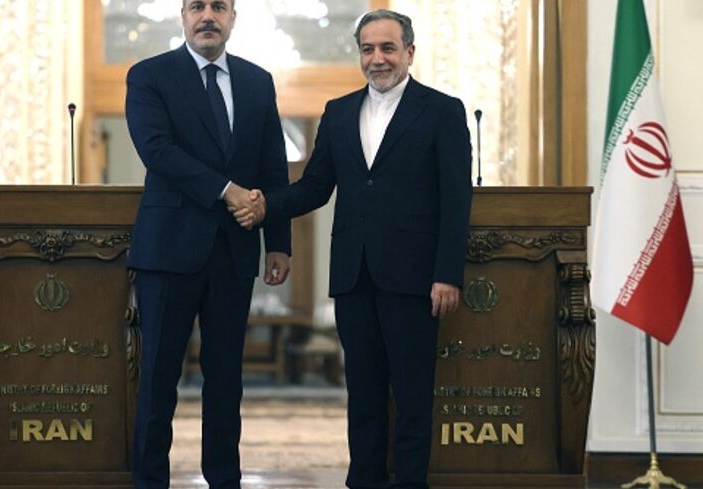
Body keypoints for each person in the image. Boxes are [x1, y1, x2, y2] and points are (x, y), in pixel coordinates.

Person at [234, 9, 472, 489]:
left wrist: (447, 273)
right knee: (361, 393)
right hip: (353, 277)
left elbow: (456, 198)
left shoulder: (443, 111)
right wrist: (265, 208)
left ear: (409, 52)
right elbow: (316, 187)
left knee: (411, 394)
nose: (377, 59)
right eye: (368, 49)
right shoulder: (339, 111)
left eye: (387, 48)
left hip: (415, 279)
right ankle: (363, 481)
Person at [124, 0, 291, 487]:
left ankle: (224, 479)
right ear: (182, 16)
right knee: (158, 380)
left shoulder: (258, 81)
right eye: (197, 6)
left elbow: (272, 164)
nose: (207, 16)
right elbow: (157, 150)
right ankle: (150, 481)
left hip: (234, 252)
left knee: (226, 383)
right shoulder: (150, 75)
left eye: (218, 6)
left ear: (234, 17)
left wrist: (277, 240)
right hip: (167, 251)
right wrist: (228, 190)